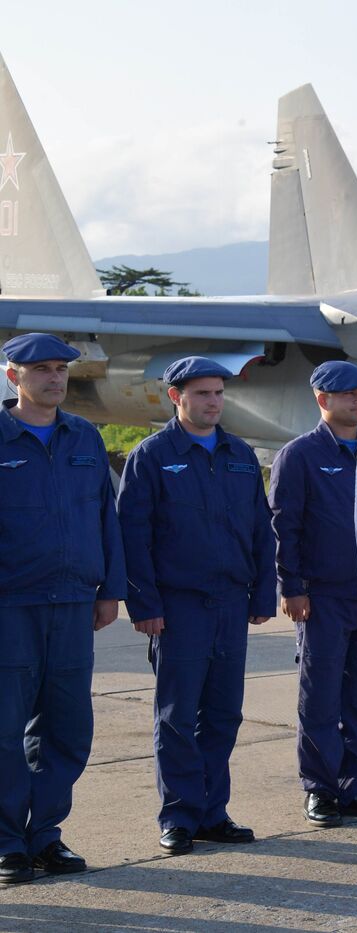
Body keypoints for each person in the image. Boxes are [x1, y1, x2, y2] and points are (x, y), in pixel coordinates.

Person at [117, 356, 276, 856]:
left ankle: (212, 811)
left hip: (231, 603)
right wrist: (144, 603)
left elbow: (259, 530)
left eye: (218, 393)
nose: (213, 402)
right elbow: (133, 537)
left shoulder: (240, 455)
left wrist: (264, 594)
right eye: (203, 393)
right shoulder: (153, 455)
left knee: (224, 714)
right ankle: (179, 816)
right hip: (178, 606)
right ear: (176, 397)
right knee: (177, 716)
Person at [0, 334, 125, 885]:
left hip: (74, 604)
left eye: (60, 370)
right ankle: (7, 843)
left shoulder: (85, 438)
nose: (54, 378)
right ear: (13, 378)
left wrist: (109, 590)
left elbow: (106, 518)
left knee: (68, 728)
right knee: (4, 730)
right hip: (11, 605)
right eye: (41, 370)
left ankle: (45, 836)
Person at [269, 361, 357, 828]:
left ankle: (352, 784)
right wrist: (291, 587)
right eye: (346, 394)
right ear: (322, 400)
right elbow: (284, 527)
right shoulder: (299, 456)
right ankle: (319, 788)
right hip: (322, 597)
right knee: (320, 698)